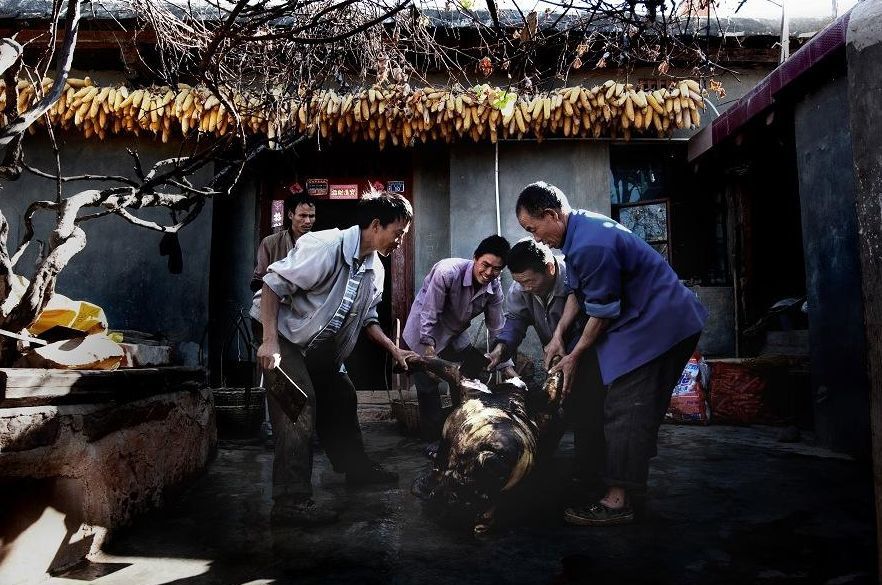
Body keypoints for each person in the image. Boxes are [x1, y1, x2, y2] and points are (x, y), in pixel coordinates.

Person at [515, 181, 707, 526]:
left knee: (627, 404)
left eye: (533, 229)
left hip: (661, 324)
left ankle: (618, 501)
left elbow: (602, 312)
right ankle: (621, 480)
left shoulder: (591, 243)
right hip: (638, 322)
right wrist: (559, 337)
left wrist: (574, 356)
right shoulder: (576, 235)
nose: (536, 238)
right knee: (609, 396)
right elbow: (578, 293)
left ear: (550, 215)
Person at [256, 190, 416, 526]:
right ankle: (290, 499)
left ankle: (356, 470)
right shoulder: (324, 246)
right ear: (376, 225)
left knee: (342, 395)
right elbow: (272, 283)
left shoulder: (375, 268)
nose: (400, 241)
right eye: (398, 233)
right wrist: (269, 341)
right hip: (286, 338)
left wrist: (392, 348)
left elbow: (367, 317)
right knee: (299, 404)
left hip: (322, 348)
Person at [484, 239, 604, 484]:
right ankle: (539, 464)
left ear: (550, 268)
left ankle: (588, 474)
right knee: (553, 409)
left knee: (587, 409)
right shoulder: (520, 289)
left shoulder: (574, 279)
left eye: (529, 281)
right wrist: (501, 348)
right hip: (557, 357)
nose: (525, 288)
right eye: (519, 282)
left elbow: (593, 319)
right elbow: (515, 321)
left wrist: (572, 355)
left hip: (588, 352)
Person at [402, 235, 513, 441]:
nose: (489, 273)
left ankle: (463, 430)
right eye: (485, 265)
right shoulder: (447, 272)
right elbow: (430, 312)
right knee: (428, 388)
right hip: (424, 332)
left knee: (471, 374)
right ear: (475, 258)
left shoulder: (494, 288)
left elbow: (497, 327)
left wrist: (506, 365)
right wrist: (430, 356)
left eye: (496, 269)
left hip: (455, 333)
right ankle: (434, 442)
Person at [249, 193, 316, 444]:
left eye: (311, 216)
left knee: (304, 377)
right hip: (273, 317)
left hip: (304, 320)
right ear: (290, 215)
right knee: (273, 374)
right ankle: (273, 427)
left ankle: (306, 429)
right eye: (302, 216)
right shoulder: (271, 243)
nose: (307, 221)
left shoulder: (317, 244)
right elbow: (259, 280)